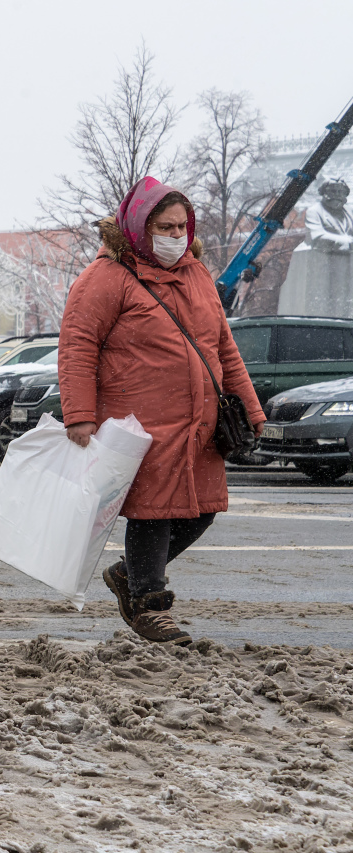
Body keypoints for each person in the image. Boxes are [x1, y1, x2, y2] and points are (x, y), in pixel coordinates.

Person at [58, 176, 265, 647]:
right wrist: (79, 415)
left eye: (182, 228)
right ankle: (149, 605)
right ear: (137, 224)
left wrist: (251, 408)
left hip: (200, 423)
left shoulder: (197, 275)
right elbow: (77, 347)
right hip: (141, 426)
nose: (175, 237)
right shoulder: (106, 277)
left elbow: (224, 348)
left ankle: (127, 575)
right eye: (165, 227)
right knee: (154, 513)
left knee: (204, 511)